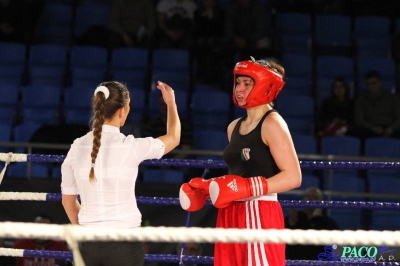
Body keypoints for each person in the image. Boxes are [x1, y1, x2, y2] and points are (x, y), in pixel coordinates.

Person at [179, 57, 302, 266]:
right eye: (238, 82)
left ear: (264, 84)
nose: (239, 89)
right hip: (230, 212)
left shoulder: (272, 123)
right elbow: (238, 177)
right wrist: (209, 187)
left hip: (259, 211)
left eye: (247, 83)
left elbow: (294, 177)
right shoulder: (233, 126)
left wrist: (246, 187)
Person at [61, 81, 181, 266]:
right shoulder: (130, 146)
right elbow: (173, 137)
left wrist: (88, 232)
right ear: (122, 111)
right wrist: (171, 103)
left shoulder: (76, 147)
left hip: (88, 242)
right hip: (125, 242)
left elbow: (68, 201)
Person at [284, 187, 339, 260]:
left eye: (314, 197)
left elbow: (333, 249)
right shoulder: (294, 217)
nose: (310, 200)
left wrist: (317, 218)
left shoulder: (329, 223)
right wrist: (290, 224)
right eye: (307, 196)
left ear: (321, 201)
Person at [353, 70, 400, 142]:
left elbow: (399, 117)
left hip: (389, 127)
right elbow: (359, 120)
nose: (371, 86)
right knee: (357, 132)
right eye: (368, 84)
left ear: (380, 83)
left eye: (373, 83)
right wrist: (372, 128)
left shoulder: (392, 98)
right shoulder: (361, 100)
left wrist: (391, 128)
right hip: (370, 129)